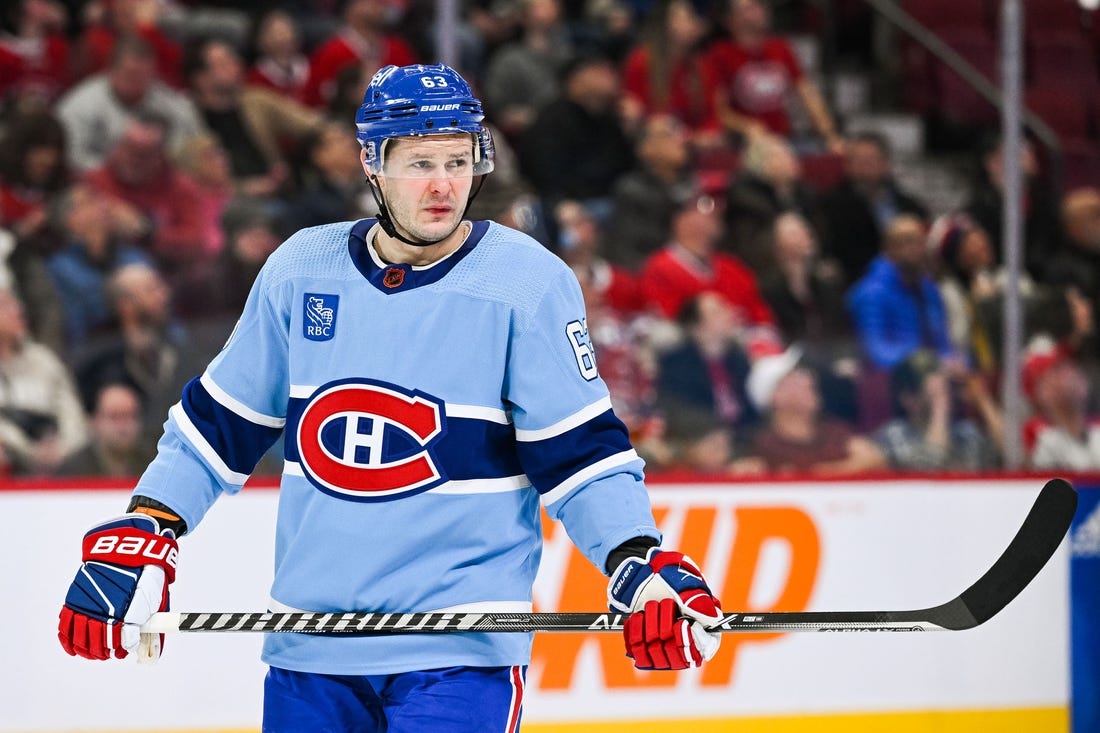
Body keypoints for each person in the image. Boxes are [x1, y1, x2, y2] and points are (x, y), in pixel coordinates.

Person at [58, 64, 724, 731]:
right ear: (372, 163)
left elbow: (582, 458)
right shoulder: (300, 269)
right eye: (421, 161)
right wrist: (147, 527)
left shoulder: (527, 284)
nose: (444, 184)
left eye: (459, 160)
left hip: (459, 657)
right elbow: (212, 433)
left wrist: (636, 555)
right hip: (310, 653)